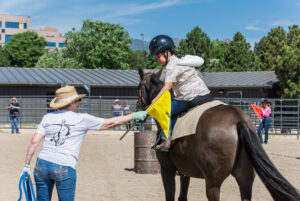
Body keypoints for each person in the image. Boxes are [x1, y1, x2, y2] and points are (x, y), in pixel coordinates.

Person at [20, 86, 147, 201]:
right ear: (72, 103)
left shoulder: (48, 117)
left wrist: (26, 165)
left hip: (42, 163)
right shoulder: (82, 118)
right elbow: (110, 123)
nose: (79, 104)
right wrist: (134, 116)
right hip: (64, 164)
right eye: (77, 101)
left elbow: (34, 141)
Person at [148, 35, 212, 152]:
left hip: (188, 97)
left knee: (164, 111)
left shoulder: (172, 65)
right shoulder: (181, 61)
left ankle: (166, 140)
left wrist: (155, 99)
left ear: (166, 52)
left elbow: (168, 86)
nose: (158, 60)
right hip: (205, 94)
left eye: (158, 56)